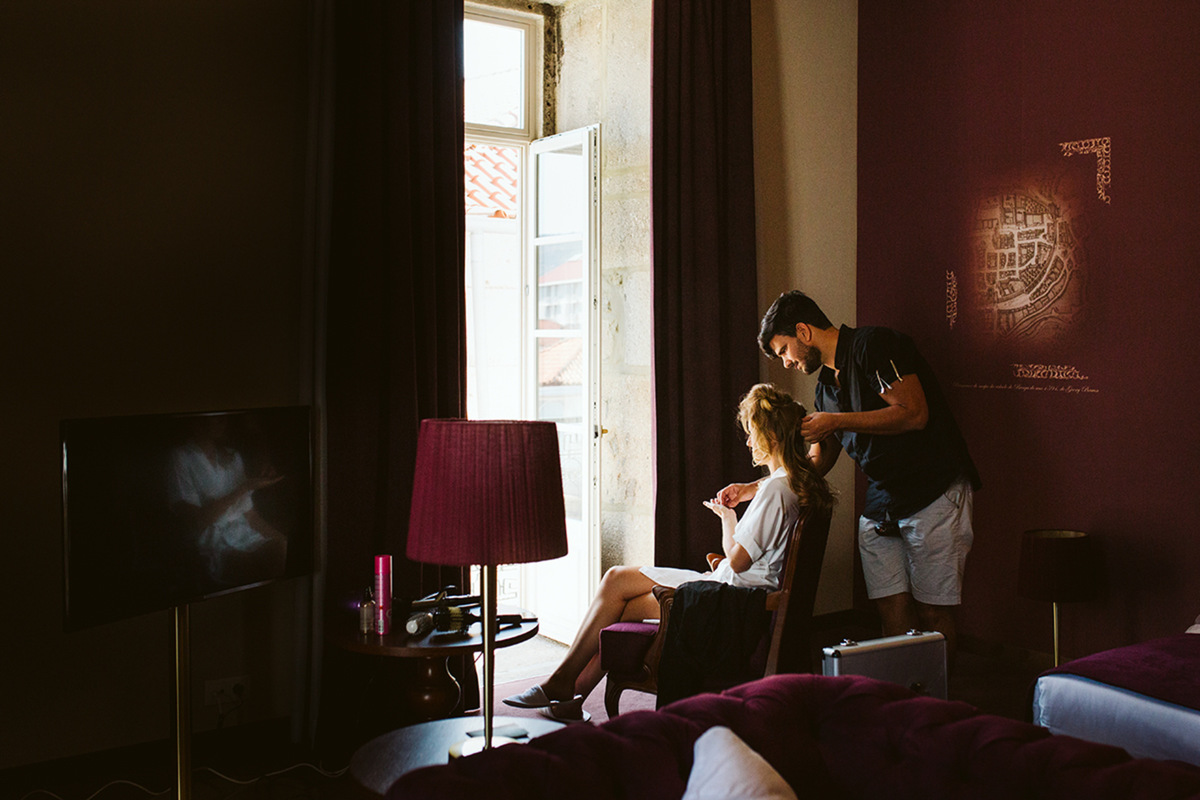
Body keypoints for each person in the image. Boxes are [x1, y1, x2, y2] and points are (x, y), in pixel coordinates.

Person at [504, 383, 834, 721]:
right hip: (733, 587)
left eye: (752, 434)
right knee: (617, 585)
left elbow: (737, 560)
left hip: (731, 598)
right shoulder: (792, 483)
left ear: (771, 437)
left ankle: (564, 684)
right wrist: (742, 501)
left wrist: (728, 519)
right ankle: (569, 691)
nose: (749, 443)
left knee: (619, 590)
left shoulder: (776, 490)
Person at [720, 290, 980, 665]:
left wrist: (836, 421)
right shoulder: (825, 390)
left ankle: (935, 694)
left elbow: (914, 412)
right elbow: (815, 462)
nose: (787, 362)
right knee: (889, 607)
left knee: (932, 611)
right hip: (882, 502)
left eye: (784, 350)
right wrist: (756, 487)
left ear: (803, 331)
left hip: (933, 490)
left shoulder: (875, 345)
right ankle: (899, 689)